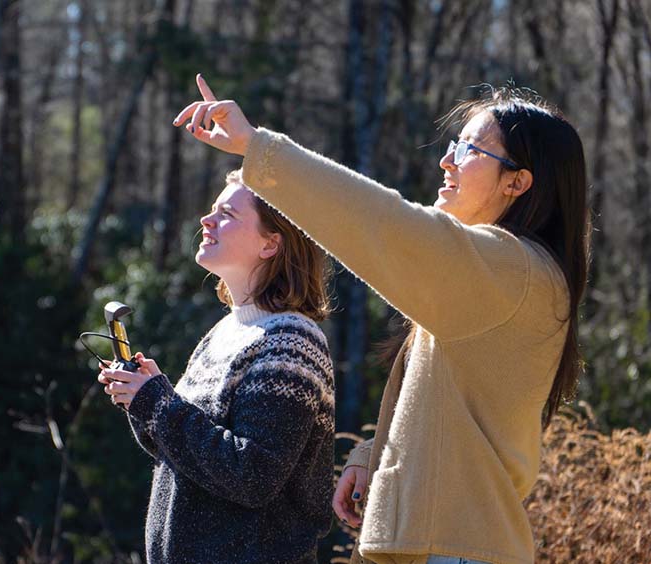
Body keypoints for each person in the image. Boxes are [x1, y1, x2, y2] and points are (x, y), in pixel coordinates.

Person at [172, 75, 589, 564]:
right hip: (444, 544)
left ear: (517, 183)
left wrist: (258, 148)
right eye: (453, 143)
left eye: (470, 150)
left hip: (454, 551)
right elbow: (455, 412)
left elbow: (385, 223)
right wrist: (377, 456)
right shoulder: (498, 277)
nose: (447, 159)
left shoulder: (512, 269)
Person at [96, 169, 337, 564]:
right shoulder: (228, 330)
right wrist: (142, 399)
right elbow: (183, 455)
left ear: (270, 243)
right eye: (213, 210)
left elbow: (252, 475)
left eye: (226, 214)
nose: (206, 221)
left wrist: (159, 404)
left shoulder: (290, 340)